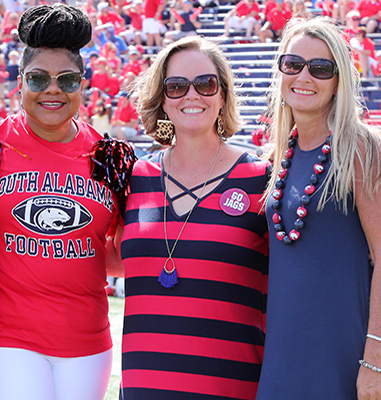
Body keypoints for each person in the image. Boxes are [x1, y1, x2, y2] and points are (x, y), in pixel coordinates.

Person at [0, 5, 131, 399]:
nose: (52, 89)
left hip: (88, 340)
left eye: (67, 80)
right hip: (5, 337)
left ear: (83, 86)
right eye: (38, 78)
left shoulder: (111, 158)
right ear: (19, 83)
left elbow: (120, 255)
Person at [256, 18, 381, 399]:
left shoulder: (364, 150)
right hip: (286, 350)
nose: (304, 76)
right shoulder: (277, 156)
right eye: (293, 64)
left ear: (340, 79)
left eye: (320, 68)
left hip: (350, 353)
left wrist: (374, 360)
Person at [116, 35, 269, 400]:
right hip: (143, 388)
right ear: (162, 101)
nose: (191, 95)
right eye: (176, 86)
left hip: (232, 388)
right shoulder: (135, 177)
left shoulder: (261, 178)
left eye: (205, 83)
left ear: (223, 96)